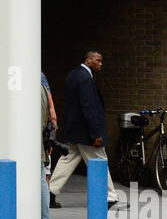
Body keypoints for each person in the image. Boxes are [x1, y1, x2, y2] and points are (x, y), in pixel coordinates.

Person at [49, 49, 119, 207]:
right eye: (98, 60)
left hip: (75, 131)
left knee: (68, 159)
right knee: (100, 160)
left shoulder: (73, 75)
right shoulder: (86, 79)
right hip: (86, 133)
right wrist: (96, 134)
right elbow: (88, 107)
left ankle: (50, 192)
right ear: (88, 61)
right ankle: (110, 196)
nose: (101, 64)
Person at [39, 72, 56, 219]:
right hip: (40, 143)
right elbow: (52, 116)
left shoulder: (25, 88)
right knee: (41, 180)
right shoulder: (44, 87)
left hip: (27, 144)